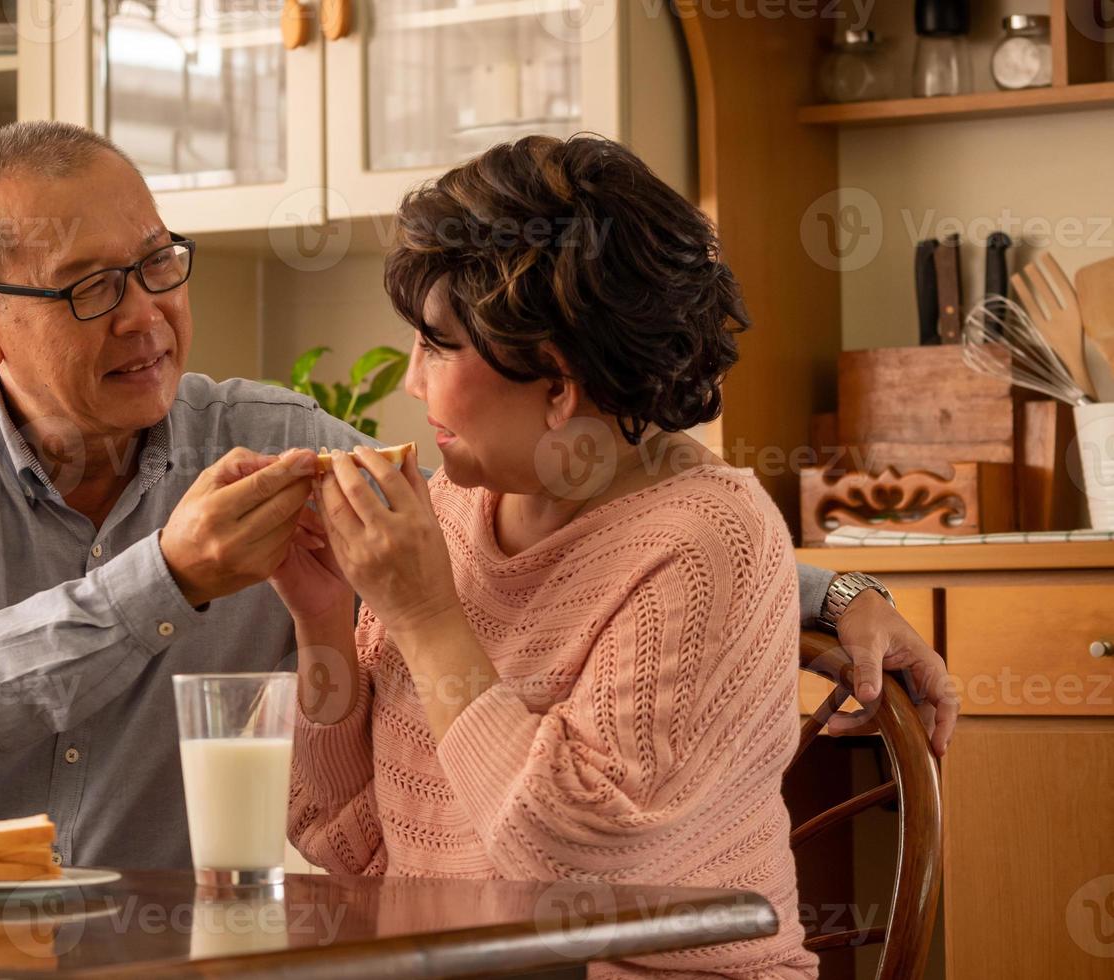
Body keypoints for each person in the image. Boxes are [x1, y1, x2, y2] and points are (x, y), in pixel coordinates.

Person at [0, 121, 956, 868]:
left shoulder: (266, 441)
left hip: (174, 948)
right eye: (90, 288)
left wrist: (830, 587)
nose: (146, 312)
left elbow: (596, 544)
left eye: (160, 262)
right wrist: (169, 576)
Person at [273, 135, 825, 976]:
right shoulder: (456, 507)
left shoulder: (709, 539)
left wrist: (424, 617)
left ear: (558, 384)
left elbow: (577, 868)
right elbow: (350, 839)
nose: (412, 383)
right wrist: (320, 613)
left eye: (436, 346)